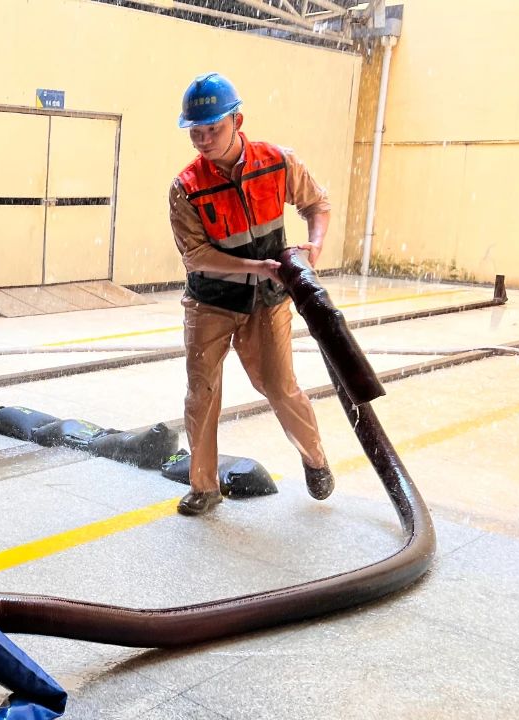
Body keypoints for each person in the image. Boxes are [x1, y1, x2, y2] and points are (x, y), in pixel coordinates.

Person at [167, 73, 336, 516]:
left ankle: (315, 458)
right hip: (209, 302)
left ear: (237, 121)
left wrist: (315, 244)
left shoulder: (277, 162)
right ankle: (204, 487)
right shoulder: (186, 187)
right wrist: (252, 267)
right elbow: (196, 256)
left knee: (279, 386)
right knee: (202, 392)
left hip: (269, 300)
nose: (204, 141)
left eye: (213, 129)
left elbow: (317, 203)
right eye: (196, 132)